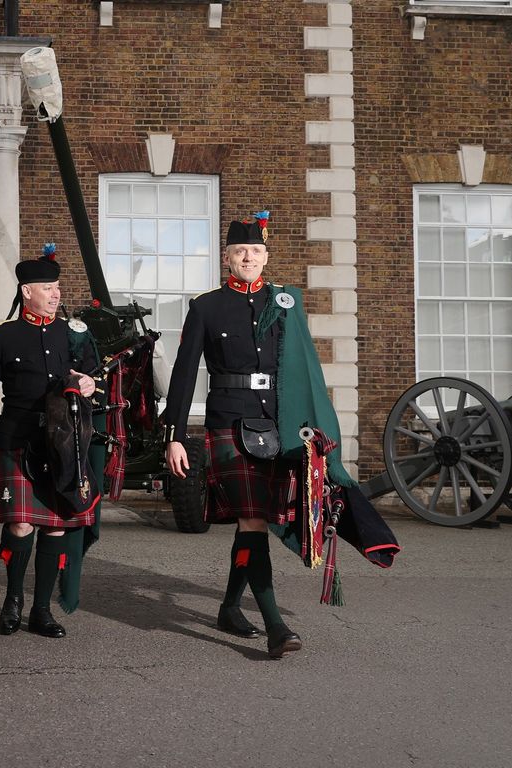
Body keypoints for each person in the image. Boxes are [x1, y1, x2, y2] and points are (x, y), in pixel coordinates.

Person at [163, 210, 309, 658]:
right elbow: (184, 373)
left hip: (277, 424)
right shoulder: (206, 307)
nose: (249, 258)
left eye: (256, 251)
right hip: (228, 422)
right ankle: (277, 627)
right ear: (227, 258)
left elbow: (302, 371)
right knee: (253, 519)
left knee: (256, 520)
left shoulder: (284, 304)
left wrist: (311, 428)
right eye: (240, 251)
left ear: (266, 257)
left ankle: (229, 606)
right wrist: (173, 435)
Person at [0, 244, 100, 638]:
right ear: (27, 291)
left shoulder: (74, 334)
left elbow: (97, 379)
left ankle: (42, 611)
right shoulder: (3, 335)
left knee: (56, 527)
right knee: (21, 524)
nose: (56, 294)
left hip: (64, 444)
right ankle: (12, 601)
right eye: (48, 288)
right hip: (19, 439)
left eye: (57, 287)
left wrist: (91, 384)